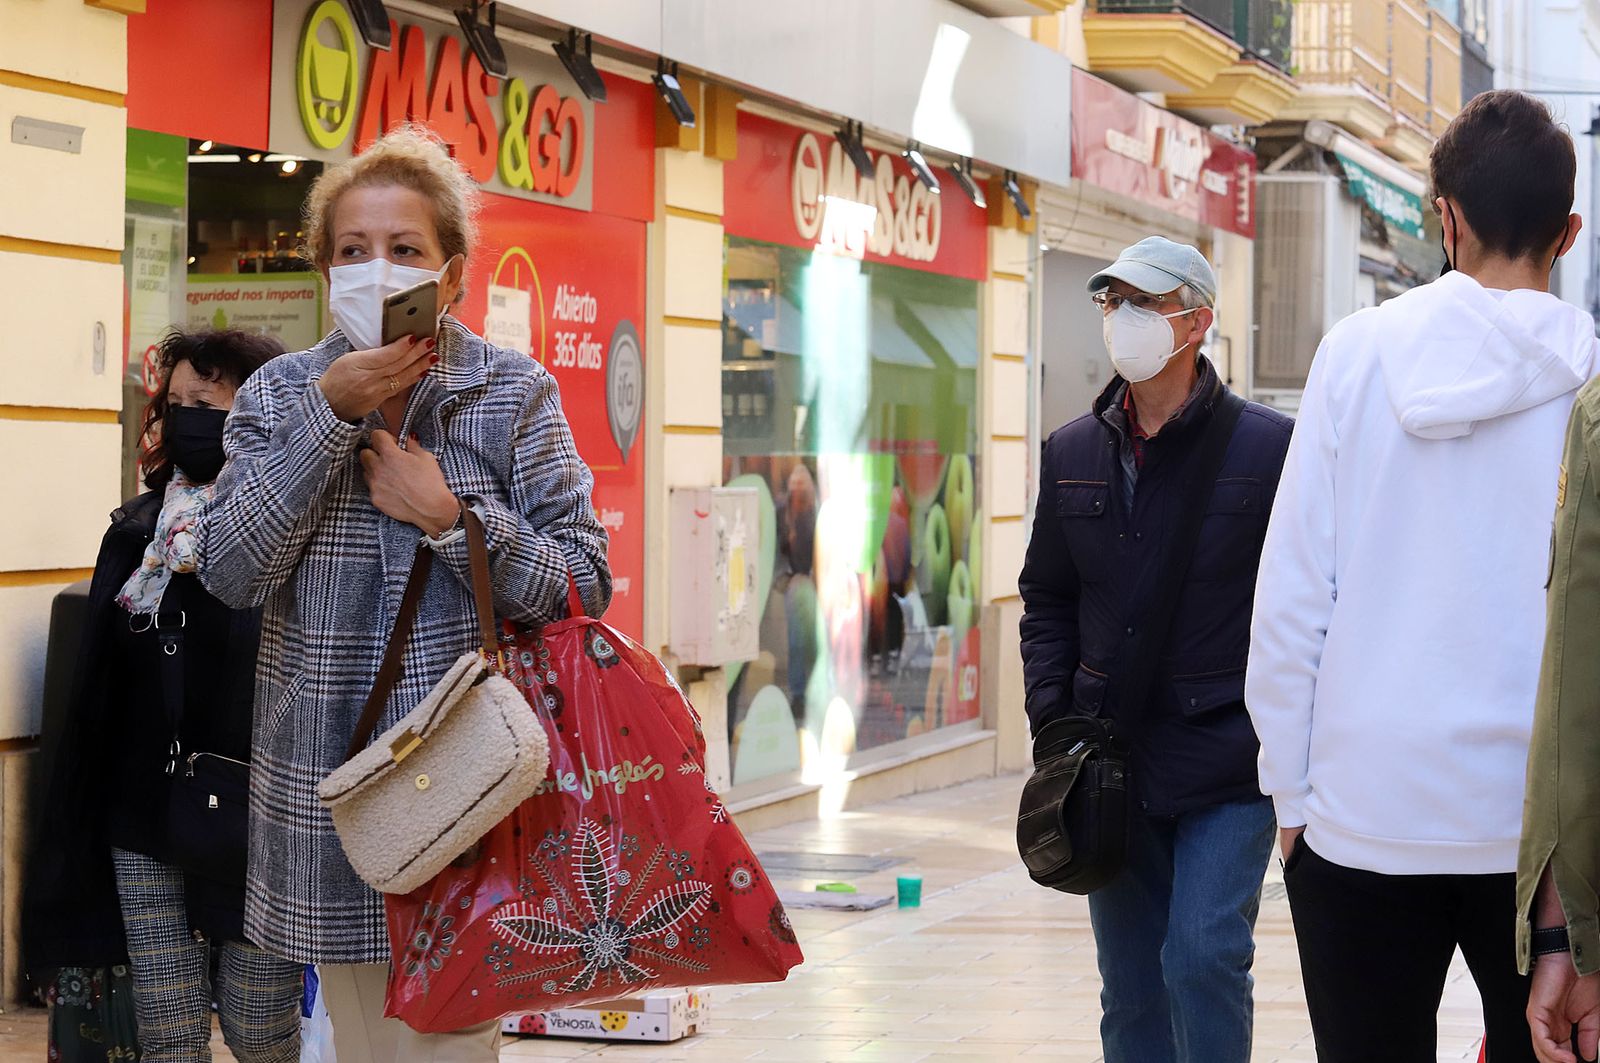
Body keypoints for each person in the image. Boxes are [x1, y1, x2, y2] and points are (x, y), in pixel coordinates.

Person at [195, 124, 611, 1062]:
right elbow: (228, 569)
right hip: (339, 797)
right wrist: (329, 416)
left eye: (404, 249)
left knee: (447, 1047)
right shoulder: (279, 395)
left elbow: (585, 581)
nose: (376, 270)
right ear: (322, 269)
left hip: (478, 785)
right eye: (352, 251)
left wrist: (456, 517)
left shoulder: (511, 393)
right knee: (370, 1040)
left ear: (452, 275)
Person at [1246, 89, 1589, 1063]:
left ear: (1443, 218)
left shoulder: (1356, 357)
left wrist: (1293, 802)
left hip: (1364, 816)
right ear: (1567, 232)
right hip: (1543, 847)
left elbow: (1292, 597)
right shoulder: (1592, 385)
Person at [1019, 237, 1293, 1063]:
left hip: (1227, 759)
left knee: (1203, 956)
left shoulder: (1270, 449)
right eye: (1112, 303)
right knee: (1132, 984)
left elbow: (1302, 602)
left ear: (1196, 320)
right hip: (1111, 762)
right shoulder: (1070, 451)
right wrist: (1052, 720)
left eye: (1144, 302)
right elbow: (1048, 597)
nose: (1123, 319)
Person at [24, 328, 303, 1063]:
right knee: (168, 1029)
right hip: (144, 807)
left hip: (258, 813)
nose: (186, 419)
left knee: (259, 1025)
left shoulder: (298, 534)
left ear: (258, 407)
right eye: (175, 402)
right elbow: (99, 691)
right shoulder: (140, 533)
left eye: (206, 402)